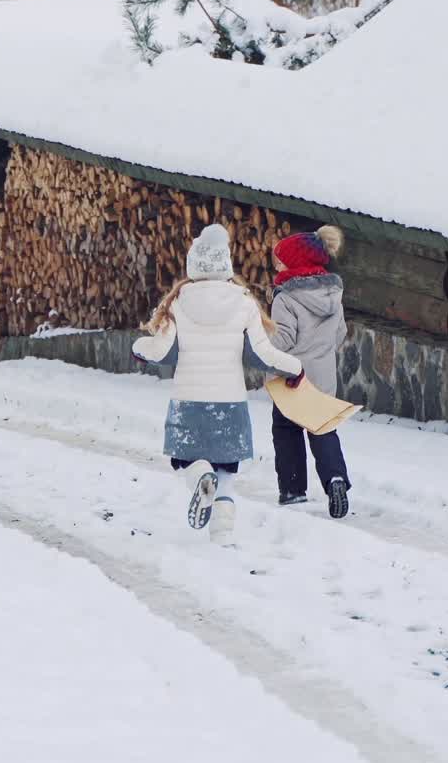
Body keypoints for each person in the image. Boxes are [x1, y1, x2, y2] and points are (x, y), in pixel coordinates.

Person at [133, 223, 303, 545]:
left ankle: (199, 475)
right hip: (230, 405)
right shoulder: (243, 301)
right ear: (226, 265)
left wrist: (138, 349)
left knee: (187, 460)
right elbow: (261, 354)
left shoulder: (179, 301)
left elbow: (163, 352)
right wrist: (294, 368)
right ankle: (222, 536)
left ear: (193, 265)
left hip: (189, 404)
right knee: (226, 471)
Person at [269, 225, 351, 518]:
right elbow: (339, 333)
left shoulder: (285, 298)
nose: (276, 264)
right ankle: (335, 479)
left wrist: (259, 337)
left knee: (287, 430)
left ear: (294, 263)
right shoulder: (333, 293)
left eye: (280, 259)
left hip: (293, 378)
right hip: (324, 375)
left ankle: (292, 490)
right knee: (323, 429)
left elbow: (283, 339)